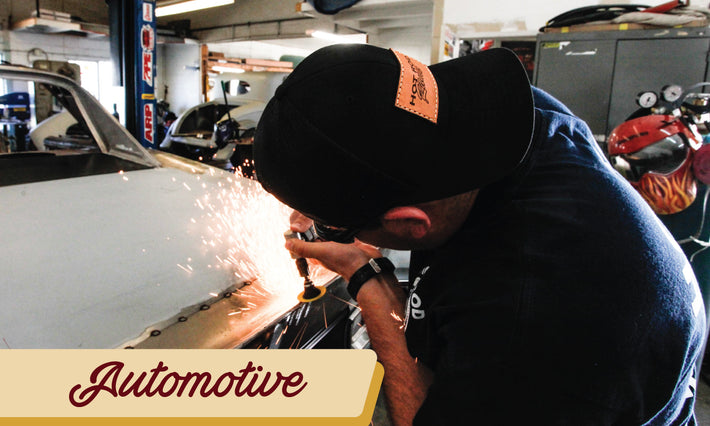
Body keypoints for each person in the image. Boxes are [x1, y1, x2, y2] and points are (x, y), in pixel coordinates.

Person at [253, 44, 706, 425]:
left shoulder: (528, 321)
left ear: (411, 223)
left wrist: (369, 282)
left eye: (333, 223)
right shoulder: (510, 114)